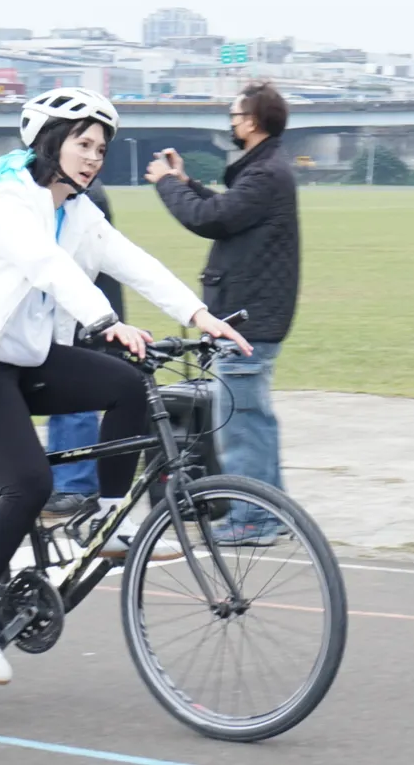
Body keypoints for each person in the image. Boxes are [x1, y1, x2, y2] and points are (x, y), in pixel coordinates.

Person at [0, 86, 250, 685]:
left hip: (26, 360)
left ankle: (109, 523)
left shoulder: (77, 209)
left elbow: (132, 260)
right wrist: (106, 321)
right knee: (28, 483)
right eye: (84, 144)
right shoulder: (7, 200)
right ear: (50, 142)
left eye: (100, 148)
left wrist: (201, 316)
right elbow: (46, 265)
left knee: (129, 386)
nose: (94, 157)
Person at [145, 81, 300, 548]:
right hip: (254, 314)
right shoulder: (265, 170)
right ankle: (273, 513)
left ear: (251, 121)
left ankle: (252, 520)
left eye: (234, 116)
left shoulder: (265, 174)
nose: (231, 123)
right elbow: (225, 211)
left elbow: (209, 219)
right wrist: (186, 182)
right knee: (255, 419)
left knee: (242, 423)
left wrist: (167, 183)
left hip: (246, 318)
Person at [41, 176, 128, 519]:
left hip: (84, 315)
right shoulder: (71, 188)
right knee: (62, 399)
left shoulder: (80, 195)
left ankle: (75, 485)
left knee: (75, 402)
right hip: (79, 311)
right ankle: (65, 480)